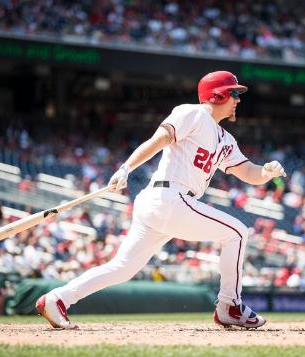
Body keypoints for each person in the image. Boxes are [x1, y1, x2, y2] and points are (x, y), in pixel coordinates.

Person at [35, 71, 286, 329]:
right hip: (169, 197)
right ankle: (229, 306)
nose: (238, 99)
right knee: (238, 232)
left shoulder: (225, 139)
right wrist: (126, 168)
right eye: (233, 93)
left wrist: (266, 173)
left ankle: (57, 298)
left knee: (122, 268)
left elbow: (247, 172)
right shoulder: (194, 113)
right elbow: (160, 139)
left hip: (163, 204)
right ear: (217, 94)